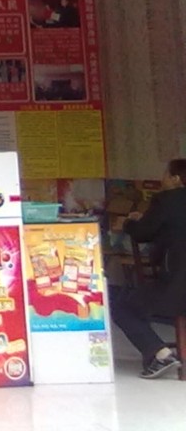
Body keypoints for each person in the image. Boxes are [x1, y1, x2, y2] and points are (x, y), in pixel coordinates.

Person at [112, 158, 186, 378]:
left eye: (165, 174)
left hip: (177, 284)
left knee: (122, 307)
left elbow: (143, 232)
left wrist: (129, 223)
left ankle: (159, 354)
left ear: (175, 178)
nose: (162, 179)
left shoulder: (167, 200)